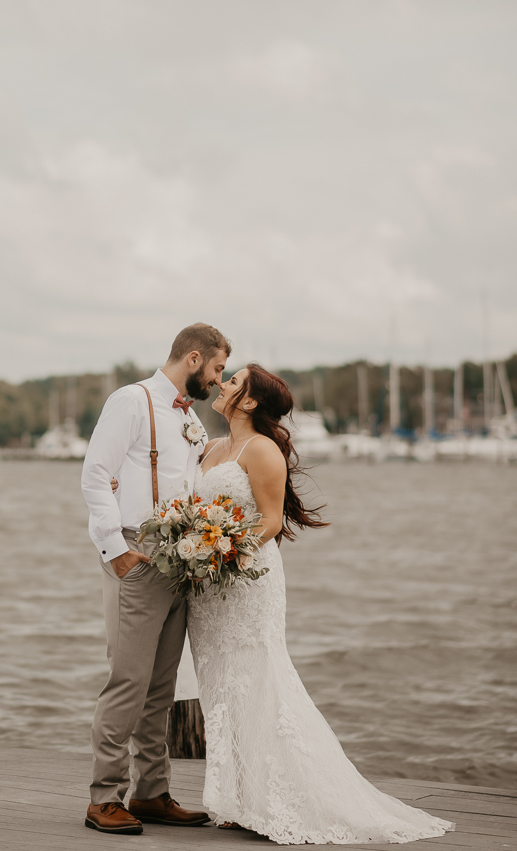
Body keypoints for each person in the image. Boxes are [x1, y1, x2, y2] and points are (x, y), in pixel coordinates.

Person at [187, 363, 454, 844]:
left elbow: (268, 522)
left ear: (248, 401)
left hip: (246, 580)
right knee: (221, 685)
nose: (221, 385)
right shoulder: (210, 447)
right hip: (210, 589)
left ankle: (277, 800)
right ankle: (239, 798)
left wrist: (221, 549)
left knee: (260, 679)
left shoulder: (262, 450)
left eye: (232, 381)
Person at [80, 323, 231, 835]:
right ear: (193, 359)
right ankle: (103, 798)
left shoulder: (191, 419)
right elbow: (95, 474)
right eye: (214, 370)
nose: (216, 381)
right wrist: (116, 551)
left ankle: (151, 792)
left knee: (161, 688)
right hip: (137, 554)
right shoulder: (131, 401)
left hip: (180, 560)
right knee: (127, 681)